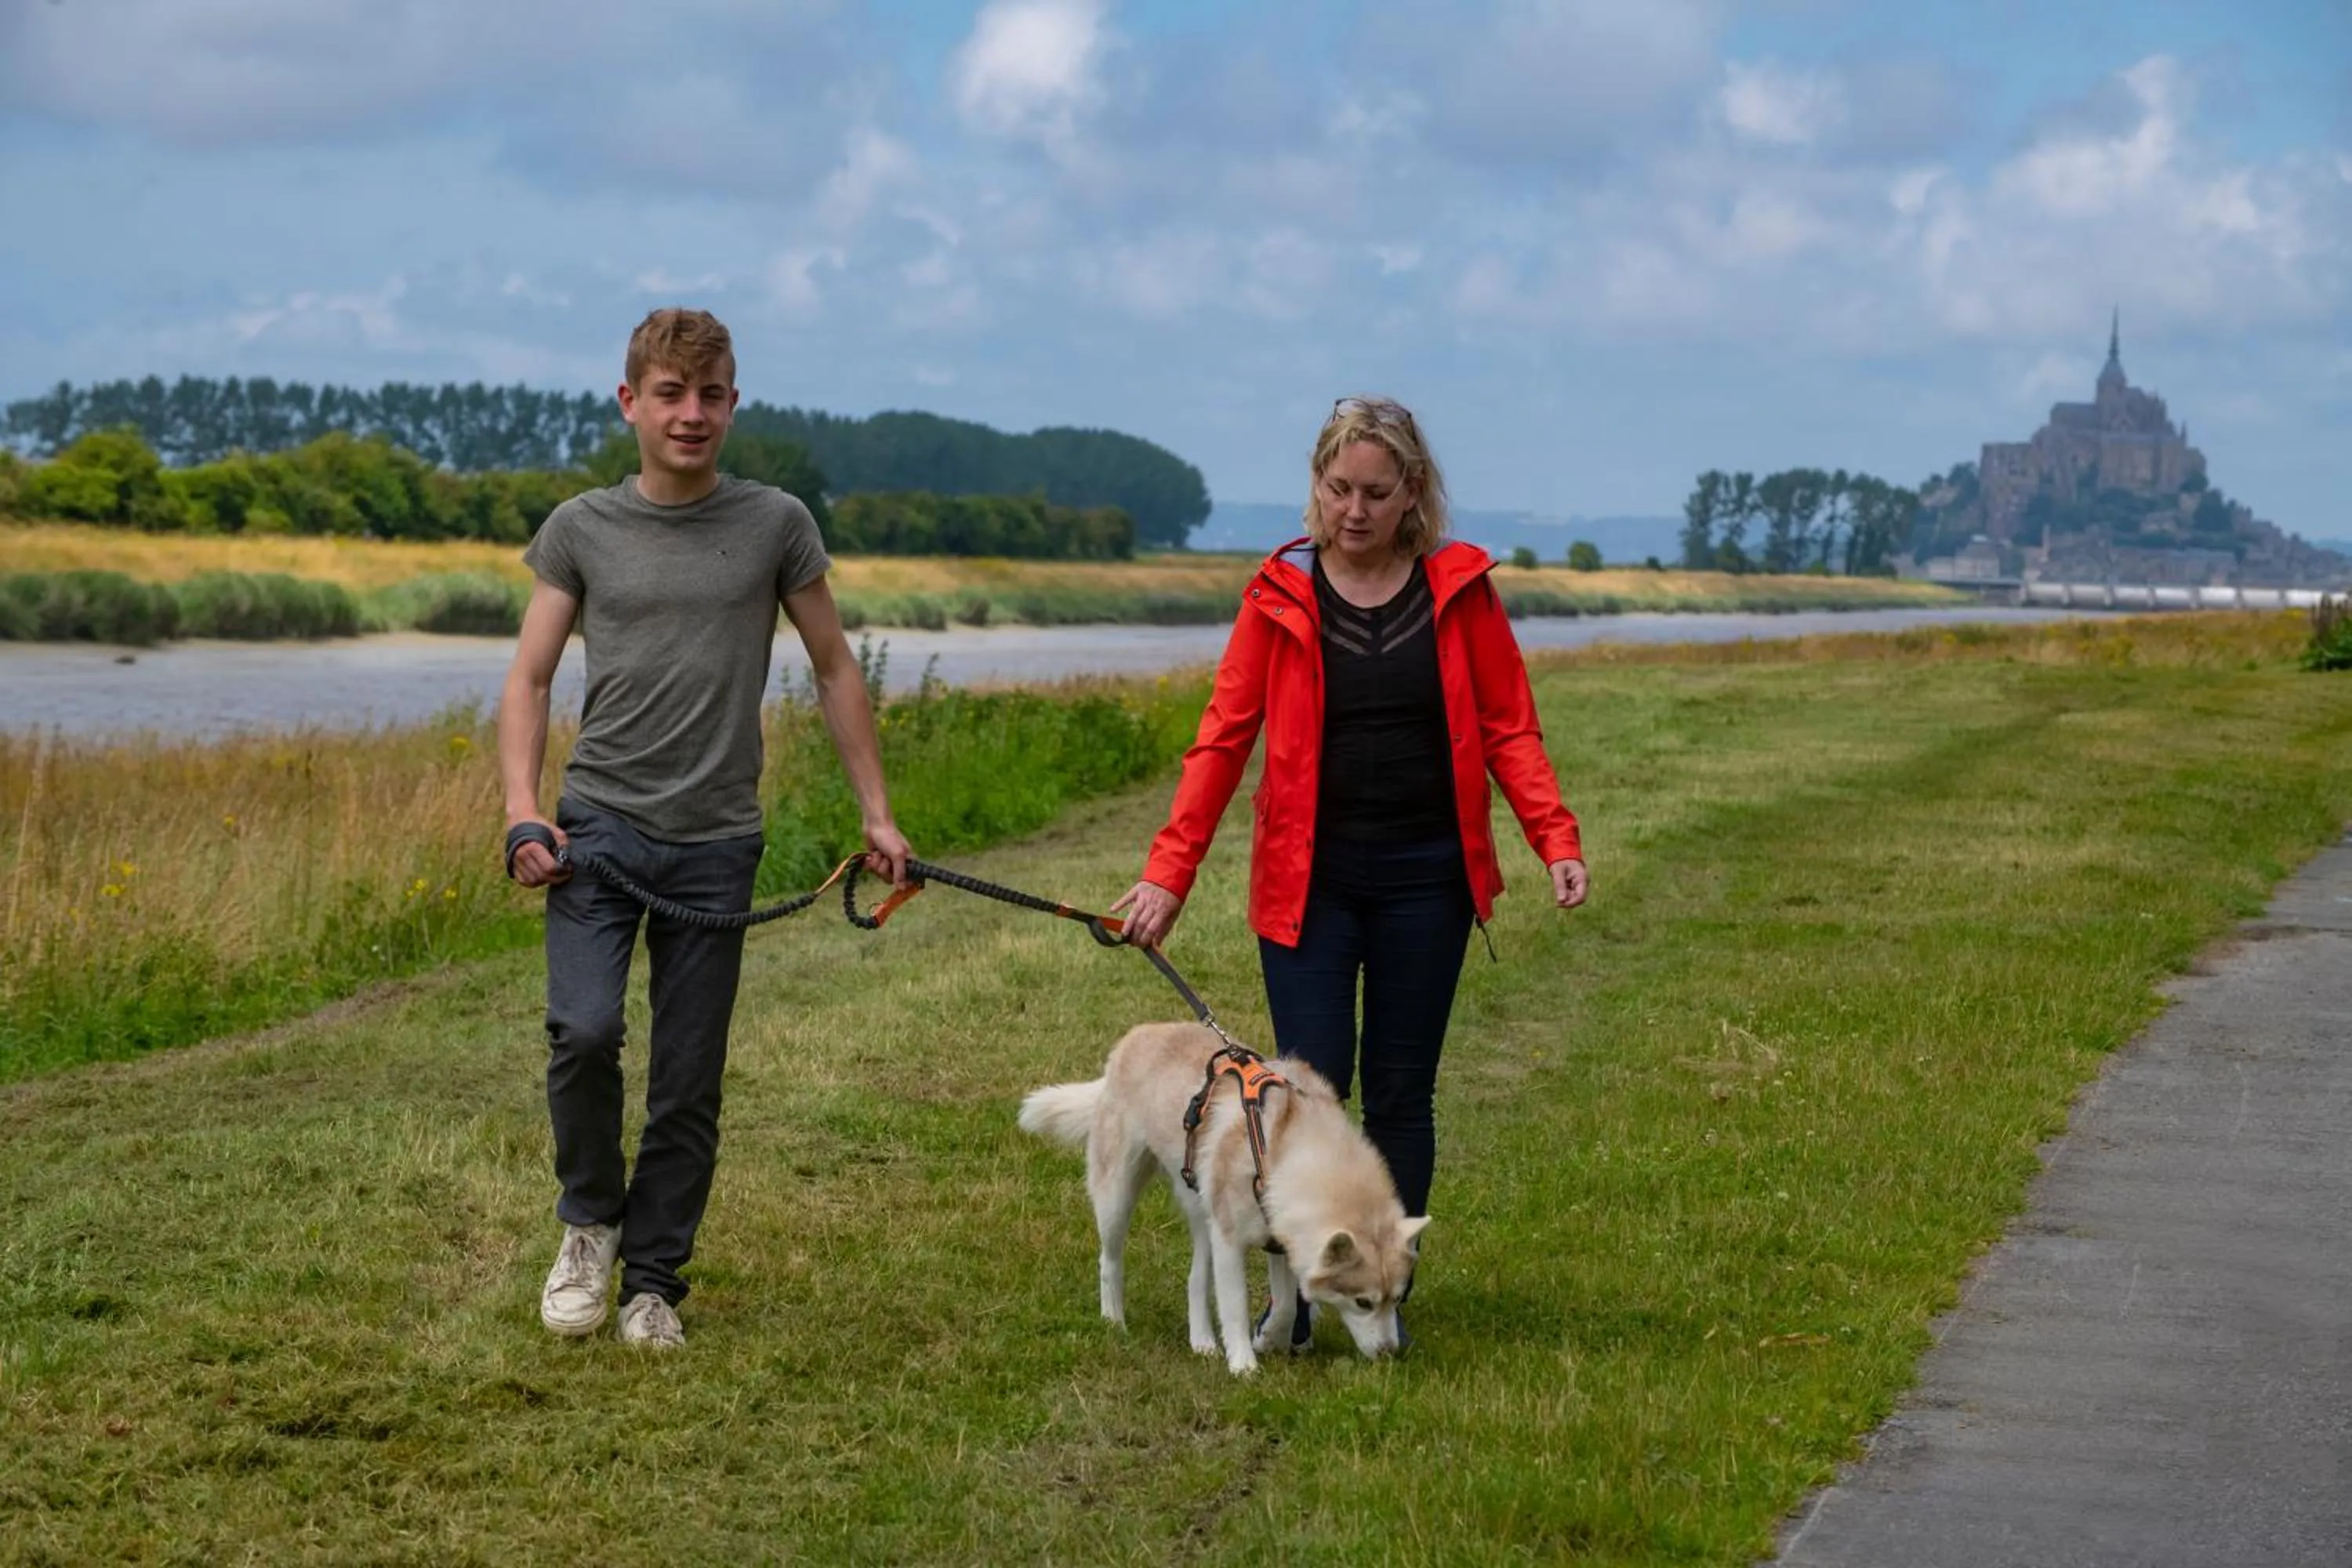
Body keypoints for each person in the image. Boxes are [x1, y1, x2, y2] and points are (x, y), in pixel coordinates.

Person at [1112, 394, 1587, 1346]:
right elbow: (1220, 742)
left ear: (1413, 493)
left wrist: (1555, 837)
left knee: (1405, 1090)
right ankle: (1292, 1306)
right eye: (1339, 489)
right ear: (1316, 487)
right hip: (1309, 886)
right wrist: (1170, 872)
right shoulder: (1276, 596)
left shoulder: (1460, 591)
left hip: (1427, 880)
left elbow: (1508, 728)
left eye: (1377, 491)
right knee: (1303, 1095)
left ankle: (1383, 1290)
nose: (1355, 509)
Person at [499, 307, 912, 1350]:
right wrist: (521, 815)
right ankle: (589, 1222)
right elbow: (531, 677)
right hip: (595, 830)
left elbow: (833, 667)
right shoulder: (580, 528)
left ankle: (653, 1286)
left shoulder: (777, 523)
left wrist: (877, 813)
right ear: (630, 402)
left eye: (711, 394)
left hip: (718, 842)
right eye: (671, 394)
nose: (692, 414)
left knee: (689, 1076)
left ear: (734, 403)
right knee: (583, 1033)